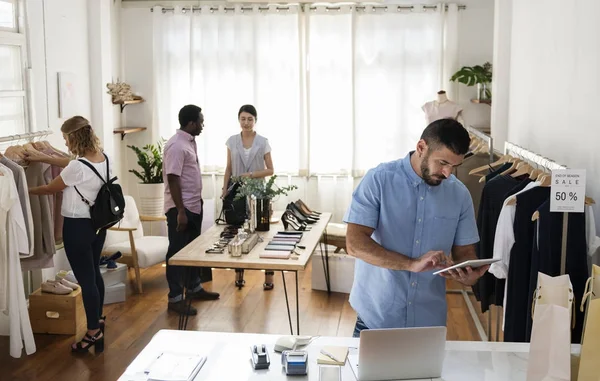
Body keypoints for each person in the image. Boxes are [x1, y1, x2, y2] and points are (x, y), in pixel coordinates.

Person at [344, 118, 488, 337]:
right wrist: (411, 264)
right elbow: (354, 244)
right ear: (421, 147)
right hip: (377, 319)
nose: (448, 173)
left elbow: (464, 253)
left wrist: (469, 276)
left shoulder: (459, 195)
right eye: (442, 163)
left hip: (429, 323)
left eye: (454, 166)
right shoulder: (378, 180)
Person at [28, 116, 110, 353]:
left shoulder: (77, 167)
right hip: (98, 225)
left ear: (74, 137)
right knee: (94, 272)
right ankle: (99, 319)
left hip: (77, 227)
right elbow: (72, 163)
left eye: (65, 138)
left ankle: (92, 332)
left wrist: (22, 190)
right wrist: (42, 156)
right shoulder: (103, 158)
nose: (64, 143)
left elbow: (49, 188)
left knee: (85, 279)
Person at [164, 104, 220, 316]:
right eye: (201, 121)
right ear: (191, 123)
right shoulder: (177, 146)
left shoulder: (189, 142)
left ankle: (194, 288)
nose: (203, 125)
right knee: (178, 253)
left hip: (193, 205)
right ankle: (175, 298)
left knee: (193, 250)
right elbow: (173, 178)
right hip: (182, 209)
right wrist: (180, 211)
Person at [221, 105, 274, 290]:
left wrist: (250, 175)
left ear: (255, 120)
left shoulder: (263, 141)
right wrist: (224, 188)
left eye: (250, 119)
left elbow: (271, 169)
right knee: (238, 233)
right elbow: (228, 167)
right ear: (238, 120)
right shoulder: (231, 141)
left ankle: (268, 278)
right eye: (243, 118)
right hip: (236, 193)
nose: (246, 122)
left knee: (263, 233)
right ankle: (239, 275)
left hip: (258, 193)